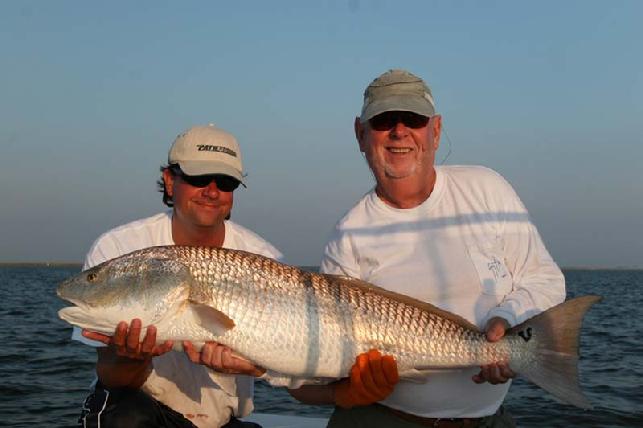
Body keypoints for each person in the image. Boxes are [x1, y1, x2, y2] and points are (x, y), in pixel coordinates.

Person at [288, 69, 566, 427]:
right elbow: (329, 354)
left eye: (413, 119)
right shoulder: (347, 236)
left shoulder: (487, 189)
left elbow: (544, 278)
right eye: (384, 120)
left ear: (435, 130)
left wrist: (508, 320)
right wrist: (355, 383)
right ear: (360, 134)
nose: (399, 131)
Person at [73, 124, 283, 428]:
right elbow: (111, 375)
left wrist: (258, 367)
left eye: (225, 182)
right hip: (136, 409)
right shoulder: (120, 249)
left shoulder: (265, 260)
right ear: (170, 181)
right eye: (198, 178)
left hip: (223, 420)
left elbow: (294, 371)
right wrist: (133, 357)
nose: (212, 192)